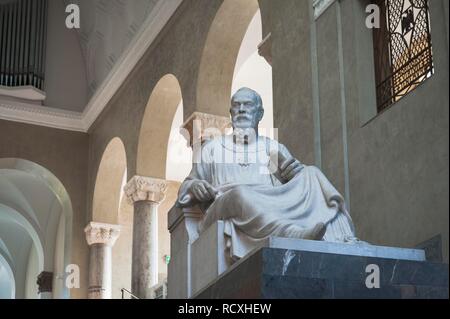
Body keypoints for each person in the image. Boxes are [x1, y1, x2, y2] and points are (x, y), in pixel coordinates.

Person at [176, 87, 359, 261]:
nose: (241, 110)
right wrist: (195, 186)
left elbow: (292, 181)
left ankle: (341, 236)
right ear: (231, 114)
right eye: (236, 106)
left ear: (259, 114)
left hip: (269, 202)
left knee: (311, 173)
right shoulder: (213, 148)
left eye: (247, 105)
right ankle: (291, 233)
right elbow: (185, 188)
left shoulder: (270, 149)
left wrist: (292, 173)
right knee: (240, 193)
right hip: (222, 206)